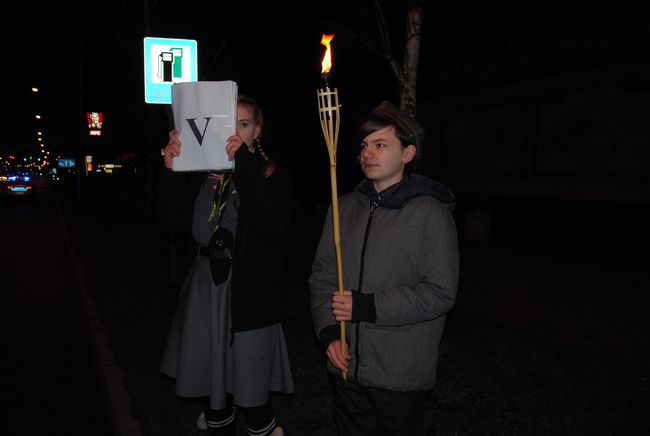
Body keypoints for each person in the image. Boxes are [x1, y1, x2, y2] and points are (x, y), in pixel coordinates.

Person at [309, 101, 460, 435]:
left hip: (399, 371)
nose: (368, 153)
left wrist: (367, 306)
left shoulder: (429, 214)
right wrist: (330, 332)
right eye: (364, 145)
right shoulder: (344, 207)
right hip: (346, 364)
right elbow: (323, 273)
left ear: (408, 154)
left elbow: (439, 292)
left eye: (380, 145)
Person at [160, 95, 294, 436]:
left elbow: (271, 223)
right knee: (212, 376)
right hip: (207, 289)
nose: (233, 132)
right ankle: (217, 419)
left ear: (257, 132)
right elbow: (169, 221)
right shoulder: (200, 175)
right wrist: (173, 169)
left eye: (243, 124)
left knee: (249, 379)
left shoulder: (270, 174)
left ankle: (262, 424)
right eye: (226, 124)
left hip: (249, 292)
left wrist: (245, 165)